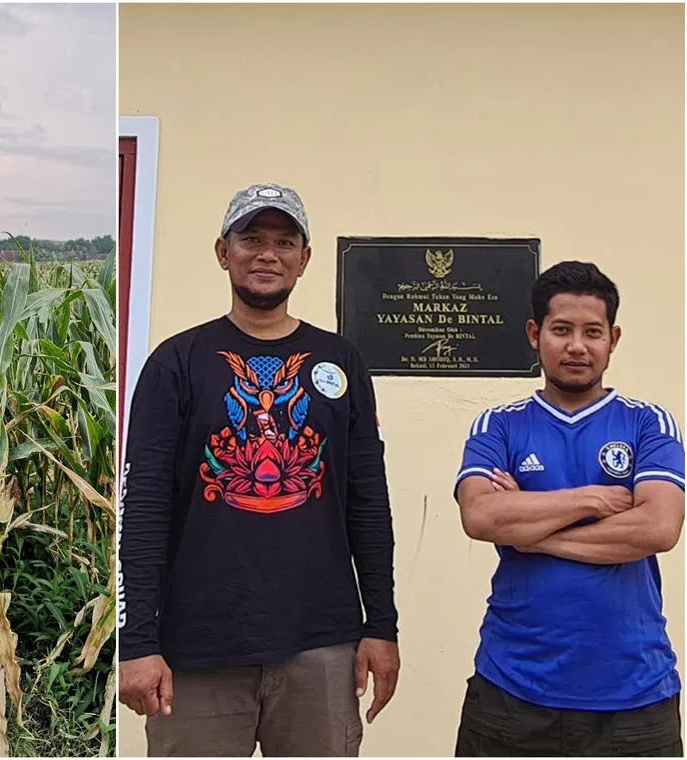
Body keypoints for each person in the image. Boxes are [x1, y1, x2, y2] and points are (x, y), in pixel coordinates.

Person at [117, 183, 400, 757]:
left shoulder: (341, 362)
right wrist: (135, 642)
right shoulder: (176, 363)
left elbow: (368, 503)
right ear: (224, 252)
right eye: (251, 239)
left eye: (283, 241)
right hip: (196, 648)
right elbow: (142, 508)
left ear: (304, 258)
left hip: (321, 642)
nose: (267, 254)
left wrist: (383, 626)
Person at [453, 261, 683, 756]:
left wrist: (530, 528)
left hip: (635, 697)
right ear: (535, 335)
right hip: (512, 693)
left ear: (613, 339)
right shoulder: (499, 426)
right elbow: (480, 517)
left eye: (592, 332)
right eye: (561, 330)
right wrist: (591, 499)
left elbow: (660, 527)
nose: (577, 346)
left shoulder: (649, 424)